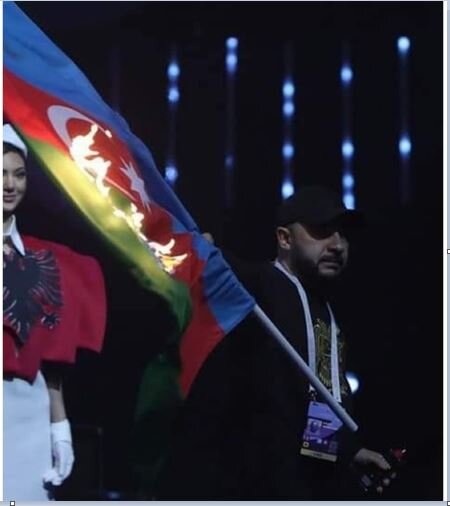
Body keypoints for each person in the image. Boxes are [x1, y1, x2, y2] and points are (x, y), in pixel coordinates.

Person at [154, 185, 394, 500]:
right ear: (284, 239)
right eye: (322, 230)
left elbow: (315, 403)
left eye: (343, 234)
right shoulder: (259, 286)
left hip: (296, 489)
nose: (337, 244)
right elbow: (217, 264)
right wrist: (203, 251)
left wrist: (346, 454)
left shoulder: (326, 313)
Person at [3, 123, 107, 500]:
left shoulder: (45, 259)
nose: (10, 185)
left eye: (19, 174)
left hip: (27, 411)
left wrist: (59, 426)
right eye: (1, 174)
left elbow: (52, 353)